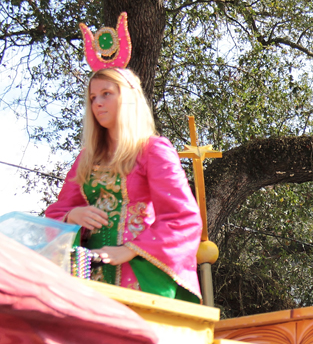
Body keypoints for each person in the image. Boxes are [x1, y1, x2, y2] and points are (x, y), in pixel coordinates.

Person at [46, 67, 202, 302]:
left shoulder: (153, 150)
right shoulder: (86, 159)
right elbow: (55, 215)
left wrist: (128, 250)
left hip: (140, 272)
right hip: (89, 274)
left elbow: (183, 218)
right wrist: (72, 216)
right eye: (92, 97)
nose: (97, 103)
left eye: (106, 93)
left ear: (128, 98)